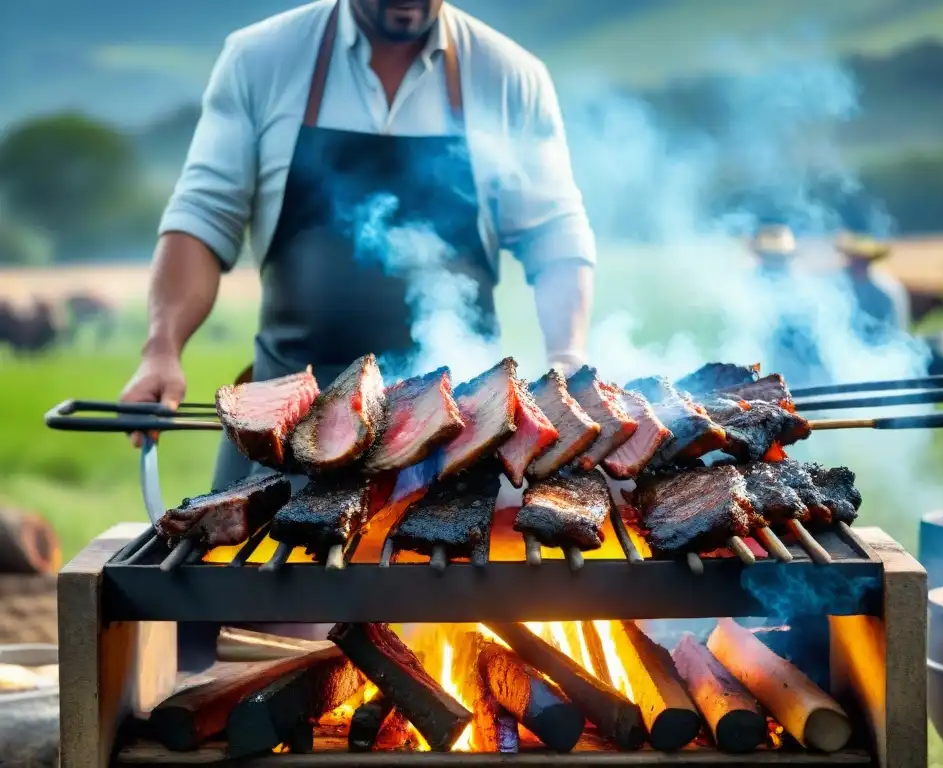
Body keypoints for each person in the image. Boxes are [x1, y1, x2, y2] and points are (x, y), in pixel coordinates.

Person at [117, 0, 596, 663]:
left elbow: (555, 235)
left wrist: (568, 351)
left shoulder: (509, 75)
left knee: (447, 657)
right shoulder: (263, 58)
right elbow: (202, 217)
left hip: (454, 438)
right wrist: (161, 348)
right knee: (250, 659)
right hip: (284, 434)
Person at [748, 223, 826, 387]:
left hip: (799, 374)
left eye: (778, 257)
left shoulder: (804, 290)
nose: (774, 263)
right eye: (770, 257)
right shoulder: (749, 285)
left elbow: (814, 345)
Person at [834, 231, 910, 341]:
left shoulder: (885, 291)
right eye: (852, 257)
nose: (854, 262)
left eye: (860, 259)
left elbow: (893, 334)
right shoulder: (840, 287)